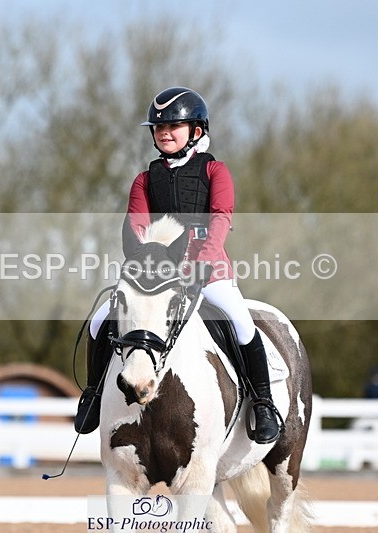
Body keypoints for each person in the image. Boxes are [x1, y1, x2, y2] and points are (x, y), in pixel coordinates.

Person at [74, 87, 281, 444]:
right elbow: (137, 226)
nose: (165, 133)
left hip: (208, 270)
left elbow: (220, 218)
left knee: (240, 321)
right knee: (99, 321)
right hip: (157, 274)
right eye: (158, 128)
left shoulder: (215, 171)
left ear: (196, 130)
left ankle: (262, 402)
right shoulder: (144, 179)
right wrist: (144, 262)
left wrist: (201, 261)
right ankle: (93, 394)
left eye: (174, 126)